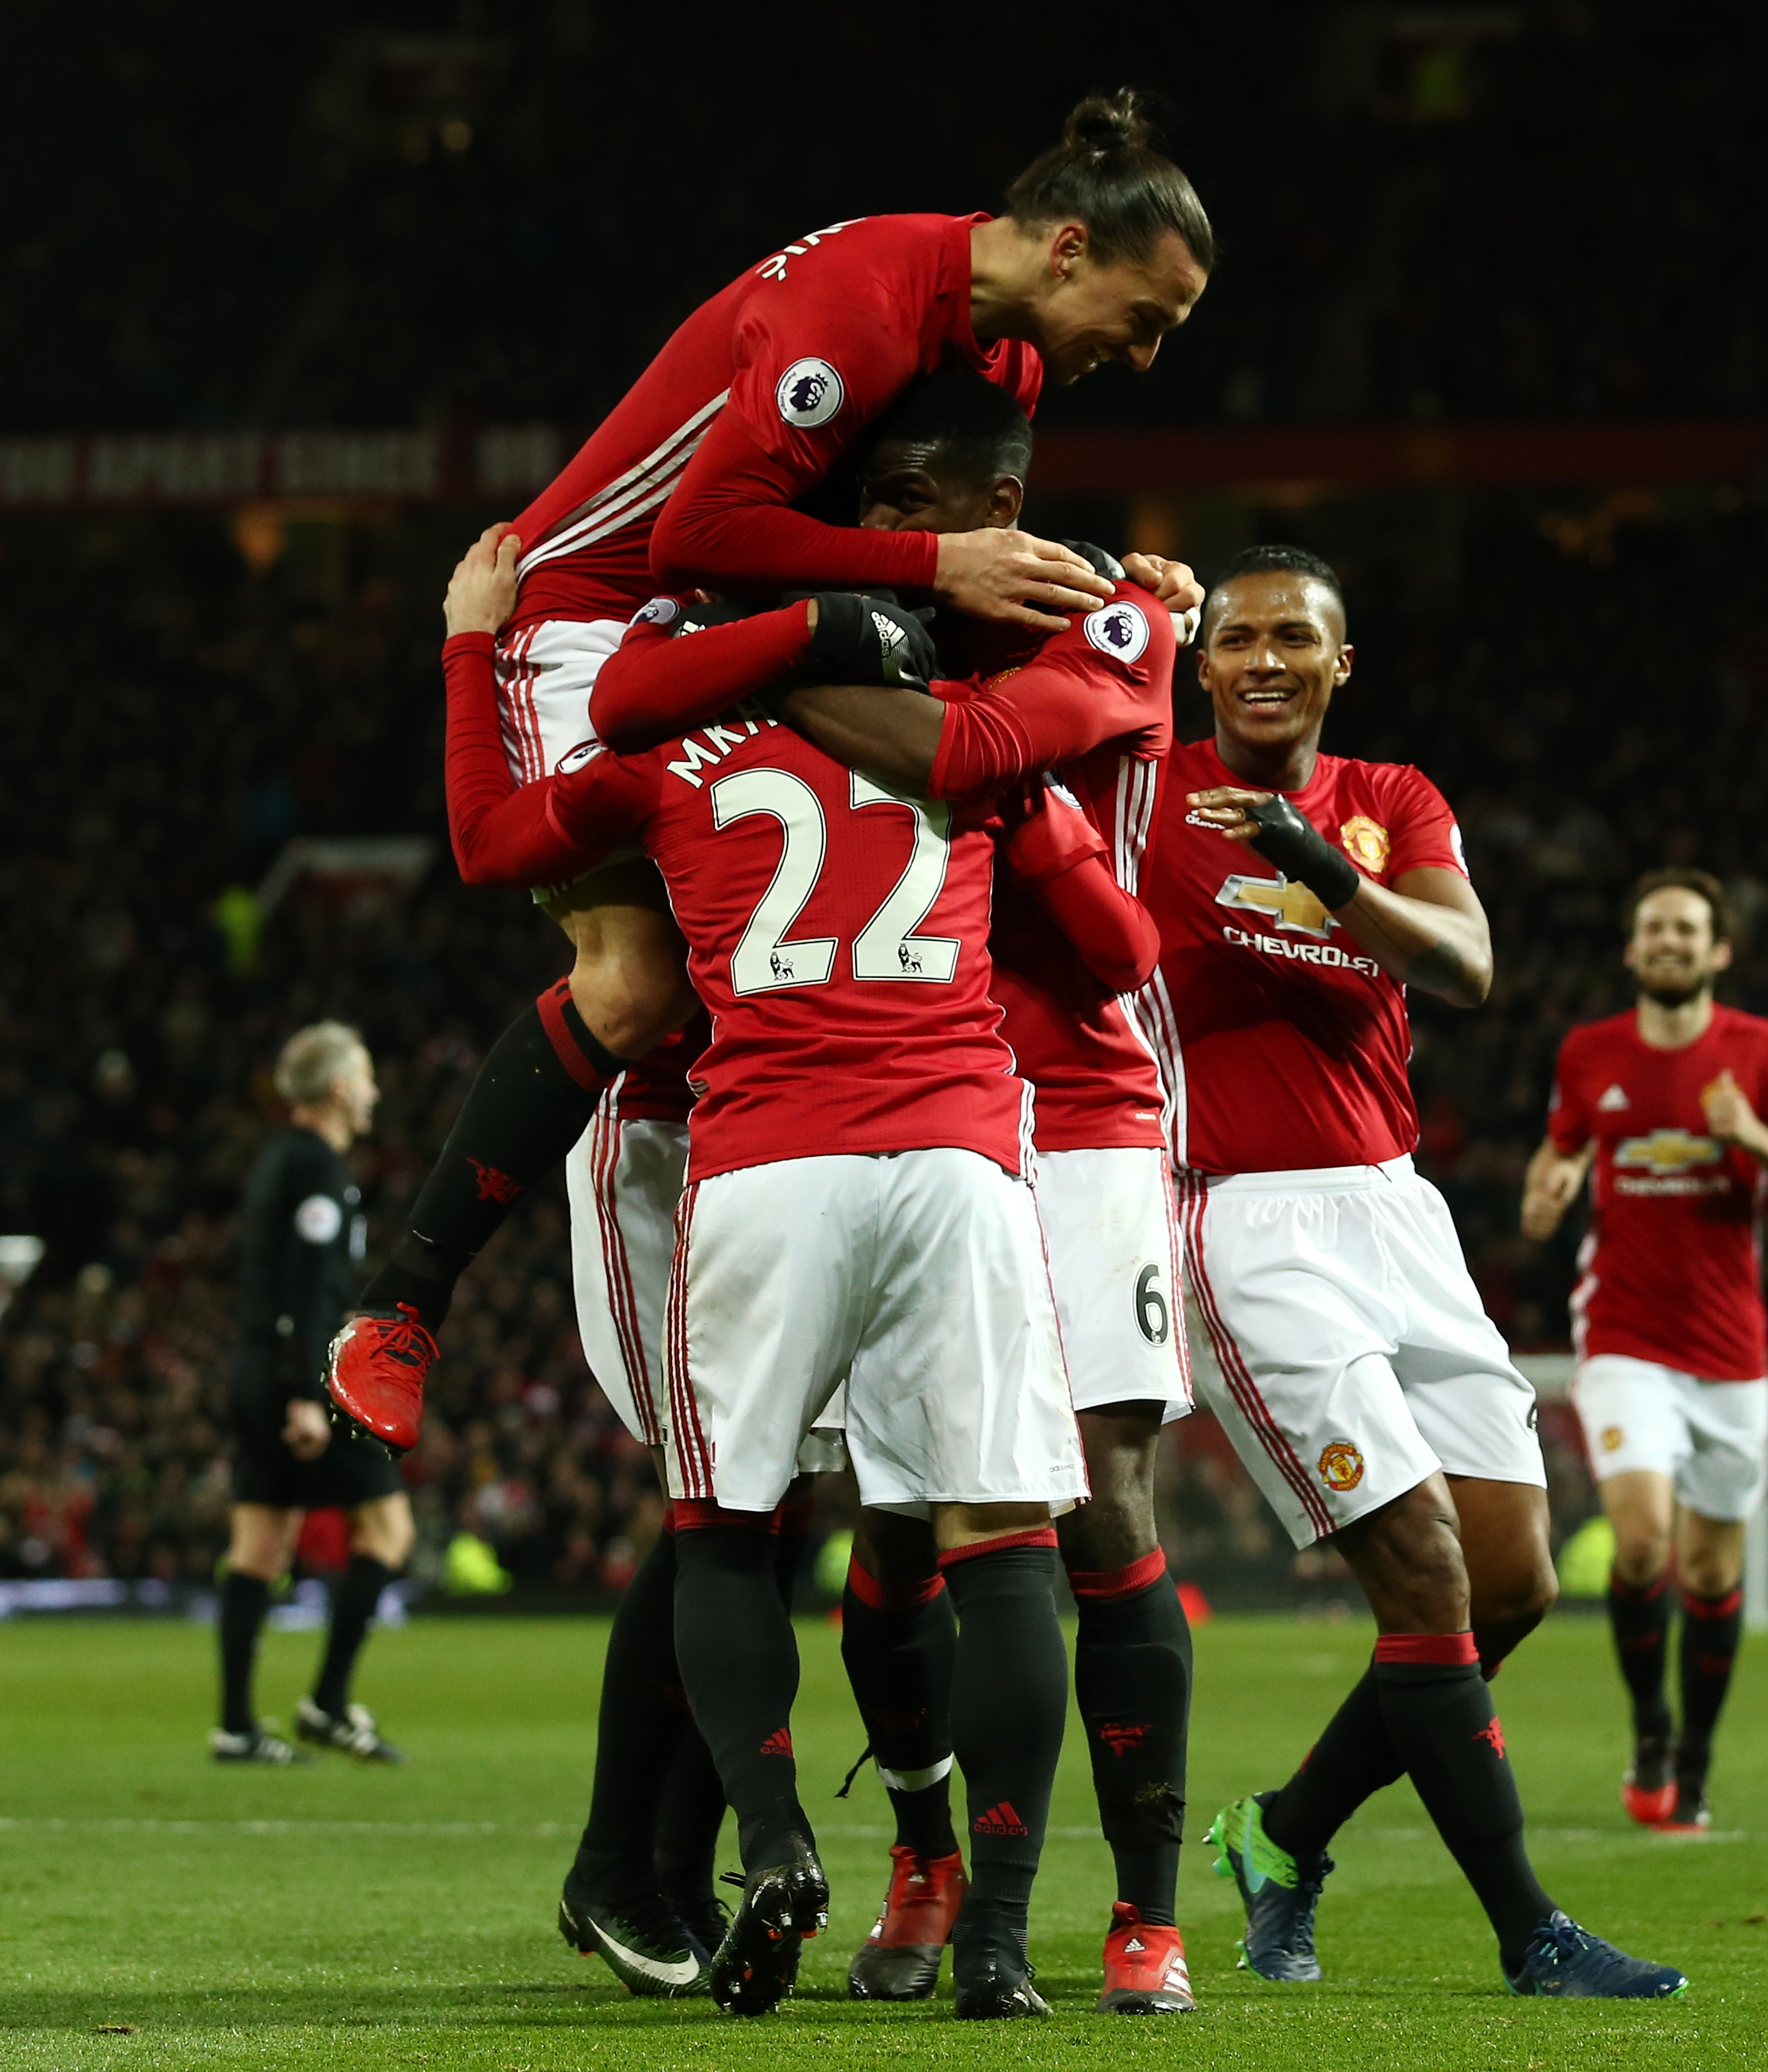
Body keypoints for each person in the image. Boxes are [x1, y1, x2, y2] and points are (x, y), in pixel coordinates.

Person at [323, 89, 1214, 1418]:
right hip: (595, 614)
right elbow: (695, 532)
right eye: (1144, 322)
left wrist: (1088, 576)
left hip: (765, 618)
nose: (1143, 360)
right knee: (633, 989)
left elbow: (953, 515)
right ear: (1069, 249)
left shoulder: (1011, 357)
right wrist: (934, 563)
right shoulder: (858, 306)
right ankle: (402, 1307)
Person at [424, 499, 1130, 2023]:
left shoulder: (664, 758)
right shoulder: (971, 736)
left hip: (764, 1161)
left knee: (724, 1527)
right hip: (955, 1158)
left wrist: (470, 643)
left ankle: (775, 1835)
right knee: (1001, 1547)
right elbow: (1120, 952)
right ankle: (998, 1933)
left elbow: (489, 840)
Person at [1089, 545, 1687, 2000]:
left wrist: (1305, 853)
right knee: (1421, 1565)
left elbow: (1467, 961)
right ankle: (1529, 1930)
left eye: (1296, 635)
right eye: (1235, 639)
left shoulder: (1390, 798)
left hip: (1395, 1211)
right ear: (1199, 660)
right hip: (1241, 1214)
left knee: (1511, 1580)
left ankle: (1283, 1836)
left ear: (1339, 662)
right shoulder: (1140, 793)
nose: (1265, 658)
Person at [1519, 868, 1768, 1832]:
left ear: (1718, 951)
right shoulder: (1589, 1051)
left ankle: (1695, 1760)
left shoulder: (1764, 1051)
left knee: (1709, 1571)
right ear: (1631, 949)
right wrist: (1548, 1187)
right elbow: (1563, 1149)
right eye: (1653, 927)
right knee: (1642, 1537)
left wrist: (1750, 1134)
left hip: (1730, 1348)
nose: (1669, 941)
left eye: (1687, 929)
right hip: (1624, 1334)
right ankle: (1651, 1730)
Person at [213, 1022, 414, 1766]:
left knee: (260, 1546)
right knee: (389, 1533)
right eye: (364, 1076)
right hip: (300, 1380)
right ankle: (328, 1704)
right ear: (336, 1090)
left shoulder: (280, 1160)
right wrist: (305, 1393)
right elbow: (303, 1287)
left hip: (256, 1368)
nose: (374, 1091)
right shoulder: (316, 1169)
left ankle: (236, 1724)